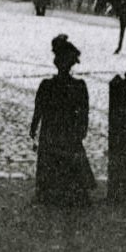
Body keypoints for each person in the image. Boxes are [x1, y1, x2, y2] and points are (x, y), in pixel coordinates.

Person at [30, 34, 94, 206]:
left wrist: (33, 128)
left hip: (51, 133)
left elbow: (38, 110)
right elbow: (84, 112)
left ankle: (49, 190)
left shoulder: (46, 85)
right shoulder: (79, 86)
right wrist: (81, 130)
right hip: (69, 132)